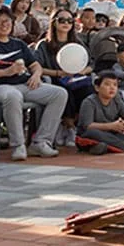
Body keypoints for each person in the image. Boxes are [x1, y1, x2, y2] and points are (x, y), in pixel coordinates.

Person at [0, 5, 68, 160]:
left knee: (59, 94)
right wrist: (5, 72)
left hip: (25, 85)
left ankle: (41, 142)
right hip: (0, 86)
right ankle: (18, 145)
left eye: (7, 21)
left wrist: (36, 75)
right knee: (13, 96)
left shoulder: (18, 44)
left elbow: (35, 65)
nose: (4, 24)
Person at [33, 8, 94, 147]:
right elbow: (37, 67)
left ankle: (80, 127)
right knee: (64, 91)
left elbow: (91, 64)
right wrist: (58, 73)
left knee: (88, 91)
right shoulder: (44, 44)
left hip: (76, 78)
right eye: (62, 20)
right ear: (54, 22)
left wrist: (83, 71)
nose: (66, 23)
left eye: (70, 21)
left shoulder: (77, 42)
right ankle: (68, 126)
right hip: (54, 79)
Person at [77, 72, 124, 155]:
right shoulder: (89, 102)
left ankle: (106, 147)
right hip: (93, 134)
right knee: (92, 133)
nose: (112, 88)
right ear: (97, 88)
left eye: (115, 85)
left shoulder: (117, 99)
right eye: (107, 84)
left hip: (111, 134)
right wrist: (111, 126)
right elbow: (87, 126)